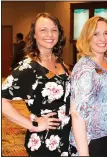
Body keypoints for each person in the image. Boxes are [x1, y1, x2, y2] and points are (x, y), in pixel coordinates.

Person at [2, 12, 71, 156]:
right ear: (34, 34)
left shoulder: (59, 62)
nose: (50, 34)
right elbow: (2, 101)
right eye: (43, 30)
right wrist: (32, 124)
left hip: (68, 139)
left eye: (54, 30)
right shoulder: (28, 67)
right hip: (45, 142)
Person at [69, 16, 107, 156]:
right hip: (92, 141)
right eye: (96, 34)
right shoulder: (84, 68)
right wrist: (84, 153)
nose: (102, 38)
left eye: (106, 33)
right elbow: (77, 114)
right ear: (87, 37)